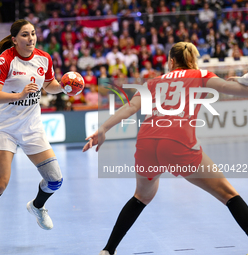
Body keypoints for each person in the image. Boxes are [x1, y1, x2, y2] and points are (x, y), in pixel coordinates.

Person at [83, 42, 248, 255]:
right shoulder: (200, 75)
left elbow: (130, 107)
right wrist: (244, 80)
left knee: (140, 197)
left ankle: (108, 250)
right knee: (228, 193)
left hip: (147, 142)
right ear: (191, 59)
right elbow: (234, 90)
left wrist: (103, 128)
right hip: (177, 142)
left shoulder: (153, 82)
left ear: (171, 61)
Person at [0, 19, 66, 251]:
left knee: (55, 180)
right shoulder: (5, 60)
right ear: (14, 39)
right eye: (24, 35)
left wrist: (64, 87)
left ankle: (37, 206)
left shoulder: (44, 58)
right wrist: (19, 94)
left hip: (32, 128)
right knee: (0, 185)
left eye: (32, 34)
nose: (30, 38)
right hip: (5, 129)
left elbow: (49, 84)